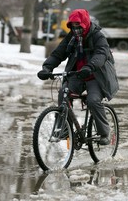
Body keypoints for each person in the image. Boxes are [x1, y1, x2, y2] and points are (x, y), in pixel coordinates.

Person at [37, 9, 119, 145]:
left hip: (95, 76)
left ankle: (105, 133)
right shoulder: (72, 38)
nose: (76, 30)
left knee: (93, 101)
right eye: (73, 27)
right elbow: (58, 53)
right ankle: (63, 129)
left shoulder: (98, 36)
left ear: (85, 24)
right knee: (64, 92)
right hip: (78, 75)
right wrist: (47, 67)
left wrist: (90, 66)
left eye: (78, 26)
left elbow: (101, 54)